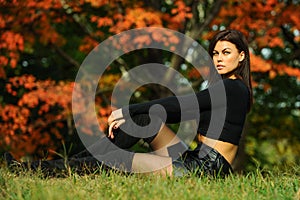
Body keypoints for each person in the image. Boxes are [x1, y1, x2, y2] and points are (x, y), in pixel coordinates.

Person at [4, 29, 252, 177]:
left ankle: (31, 170)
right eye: (215, 53)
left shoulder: (234, 88)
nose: (218, 59)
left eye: (226, 53)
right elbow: (172, 114)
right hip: (194, 158)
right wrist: (131, 116)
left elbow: (181, 106)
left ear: (241, 56)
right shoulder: (222, 88)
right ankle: (67, 161)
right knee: (144, 120)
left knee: (116, 160)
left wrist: (125, 110)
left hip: (205, 172)